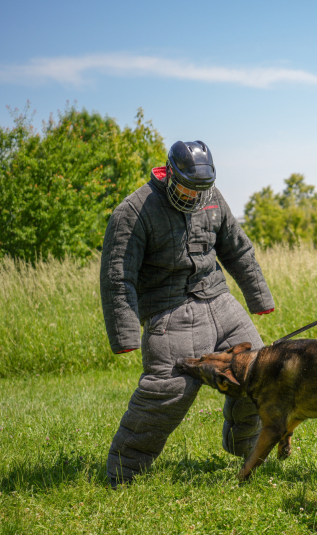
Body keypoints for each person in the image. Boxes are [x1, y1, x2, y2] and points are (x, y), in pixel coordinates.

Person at [100, 140, 275, 489]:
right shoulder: (133, 211)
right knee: (170, 391)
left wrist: (259, 297)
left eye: (200, 189)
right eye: (186, 187)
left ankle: (245, 446)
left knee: (263, 373)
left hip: (221, 302)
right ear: (170, 174)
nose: (194, 196)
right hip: (170, 311)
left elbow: (237, 249)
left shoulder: (212, 197)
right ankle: (122, 474)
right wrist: (125, 335)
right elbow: (118, 276)